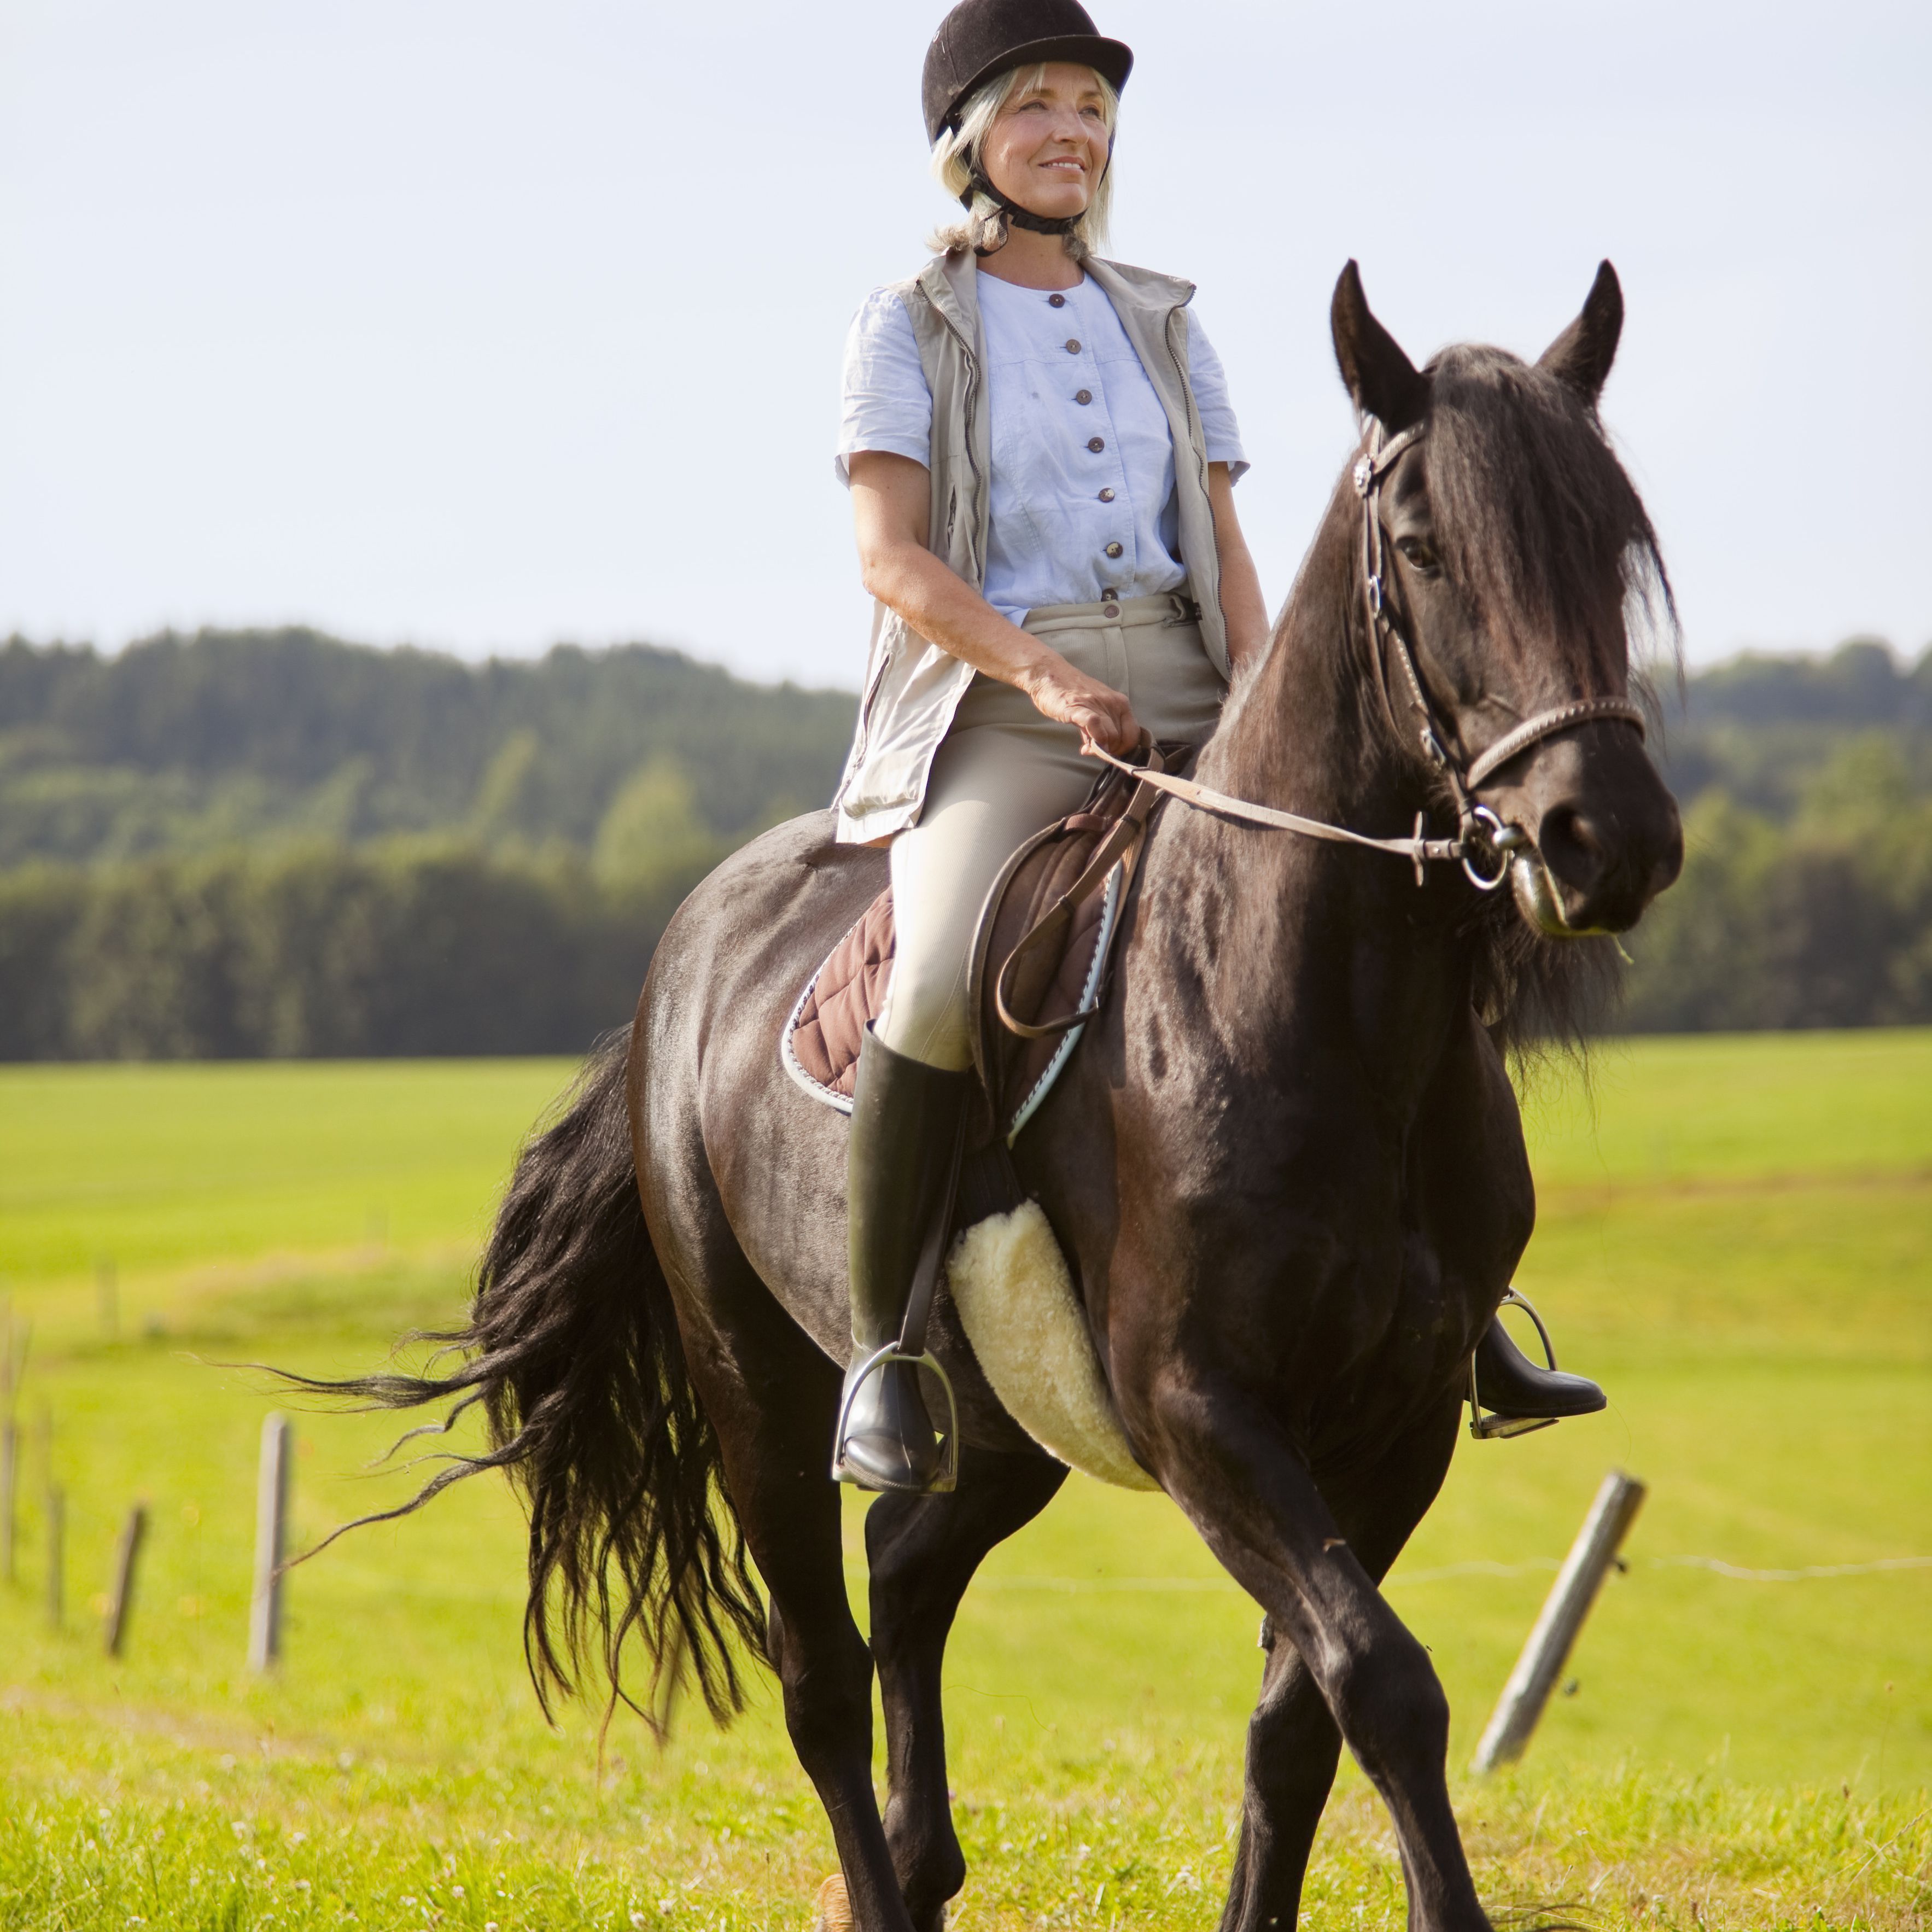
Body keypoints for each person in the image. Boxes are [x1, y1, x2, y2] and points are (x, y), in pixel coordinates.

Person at [830, 0, 1602, 1493]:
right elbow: (890, 558)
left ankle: (1463, 1298)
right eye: (1039, 106)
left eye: (1093, 112)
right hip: (1000, 707)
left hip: (1194, 691)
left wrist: (1265, 701)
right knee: (928, 981)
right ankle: (885, 1349)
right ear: (969, 143)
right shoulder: (904, 321)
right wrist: (1051, 685)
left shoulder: (1167, 321)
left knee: (1412, 913)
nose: (1073, 133)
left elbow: (1231, 547)